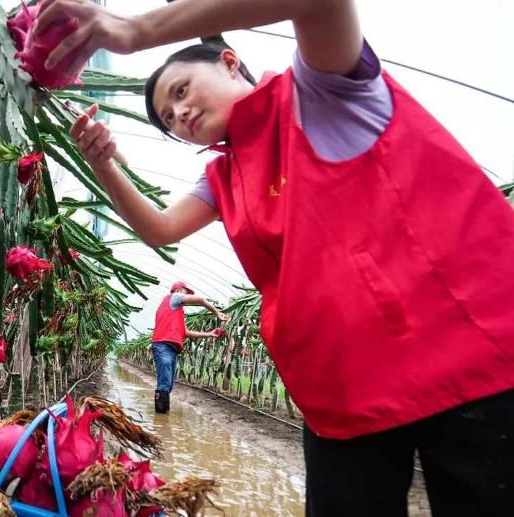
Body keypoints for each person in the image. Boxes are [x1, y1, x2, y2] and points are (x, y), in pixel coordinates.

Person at [35, 1, 514, 515]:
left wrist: (135, 31)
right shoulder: (221, 176)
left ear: (229, 61)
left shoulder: (322, 91)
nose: (182, 116)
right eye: (171, 120)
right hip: (339, 393)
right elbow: (159, 229)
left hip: (464, 365)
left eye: (181, 92)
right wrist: (103, 163)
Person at [151, 280, 226, 414]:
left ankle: (162, 414)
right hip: (162, 345)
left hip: (171, 349)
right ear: (179, 290)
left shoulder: (176, 310)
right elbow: (201, 299)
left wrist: (210, 334)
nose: (187, 296)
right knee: (164, 382)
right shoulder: (174, 297)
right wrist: (216, 312)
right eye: (187, 292)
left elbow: (185, 333)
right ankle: (161, 418)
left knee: (168, 384)